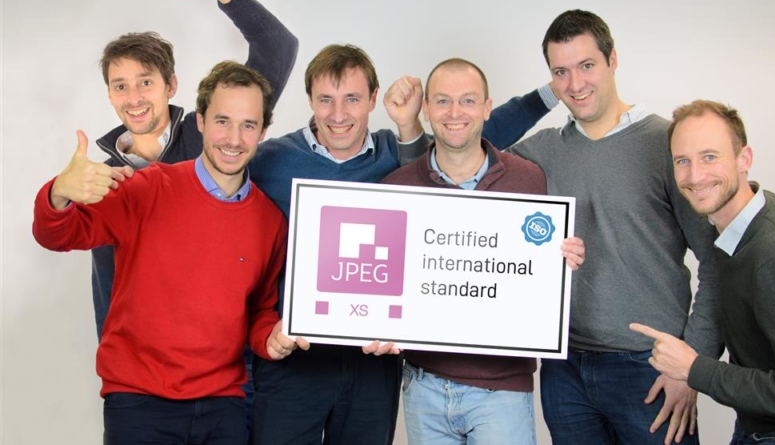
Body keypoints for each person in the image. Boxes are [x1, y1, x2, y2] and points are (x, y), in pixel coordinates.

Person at [395, 9, 724, 445]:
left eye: (587, 65)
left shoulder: (667, 144)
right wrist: (408, 127)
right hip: (564, 369)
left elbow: (718, 262)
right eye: (561, 72)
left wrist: (693, 367)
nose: (575, 83)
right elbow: (456, 151)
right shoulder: (540, 154)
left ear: (613, 60)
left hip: (648, 366)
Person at [246, 44, 557, 445]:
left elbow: (466, 133)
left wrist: (559, 87)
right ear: (309, 100)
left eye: (352, 99)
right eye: (325, 100)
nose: (338, 115)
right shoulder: (269, 159)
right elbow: (221, 176)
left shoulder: (395, 157)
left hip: (373, 362)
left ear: (373, 99)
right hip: (296, 356)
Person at [32, 61, 289, 445]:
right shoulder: (146, 188)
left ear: (263, 131)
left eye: (248, 125)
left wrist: (269, 337)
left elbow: (259, 310)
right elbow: (57, 235)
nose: (234, 138)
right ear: (200, 121)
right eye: (222, 121)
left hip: (225, 407)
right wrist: (58, 193)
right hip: (139, 404)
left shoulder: (270, 221)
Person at [380, 57, 584, 445]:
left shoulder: (530, 179)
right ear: (426, 110)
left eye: (468, 100)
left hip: (502, 389)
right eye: (443, 101)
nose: (455, 112)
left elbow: (538, 268)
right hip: (423, 386)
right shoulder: (398, 186)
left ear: (487, 108)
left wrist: (561, 258)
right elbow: (389, 278)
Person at [91, 0, 297, 341]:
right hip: (146, 364)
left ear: (171, 85)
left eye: (145, 82)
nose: (134, 98)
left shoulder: (210, 134)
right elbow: (108, 290)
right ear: (110, 95)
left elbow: (277, 47)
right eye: (121, 86)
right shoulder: (106, 181)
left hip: (228, 356)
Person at [630, 100, 775, 445]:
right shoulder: (750, 216)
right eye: (682, 161)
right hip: (758, 428)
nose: (695, 176)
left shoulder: (771, 252)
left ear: (744, 158)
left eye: (710, 157)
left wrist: (694, 369)